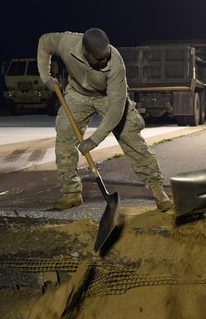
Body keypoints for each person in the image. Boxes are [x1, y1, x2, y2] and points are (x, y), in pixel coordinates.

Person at [37, 28, 174, 212]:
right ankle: (71, 193)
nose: (105, 61)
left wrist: (94, 140)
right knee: (64, 136)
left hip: (107, 97)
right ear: (86, 53)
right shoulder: (66, 43)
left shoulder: (115, 63)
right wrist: (46, 77)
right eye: (99, 59)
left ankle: (157, 188)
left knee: (130, 135)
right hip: (77, 94)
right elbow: (44, 42)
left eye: (106, 56)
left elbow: (116, 108)